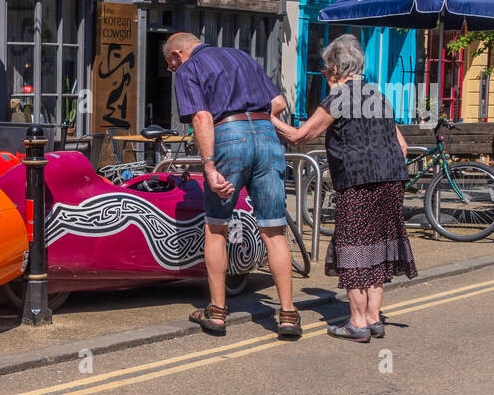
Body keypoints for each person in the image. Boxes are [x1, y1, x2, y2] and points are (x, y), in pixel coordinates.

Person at [271, 34, 417, 342]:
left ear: (336, 69)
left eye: (325, 69)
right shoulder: (378, 96)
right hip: (392, 179)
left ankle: (357, 323)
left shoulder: (339, 97)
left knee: (353, 248)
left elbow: (300, 136)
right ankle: (374, 318)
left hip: (358, 181)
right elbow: (401, 146)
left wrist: (269, 119)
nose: (324, 74)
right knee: (379, 246)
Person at [164, 32, 301, 338]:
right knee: (273, 229)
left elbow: (201, 117)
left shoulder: (189, 69)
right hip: (267, 137)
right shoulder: (243, 57)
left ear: (177, 55)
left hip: (228, 135)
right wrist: (258, 124)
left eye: (169, 63)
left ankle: (216, 312)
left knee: (216, 227)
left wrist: (209, 166)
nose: (172, 70)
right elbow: (277, 102)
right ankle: (289, 314)